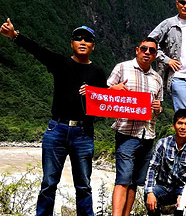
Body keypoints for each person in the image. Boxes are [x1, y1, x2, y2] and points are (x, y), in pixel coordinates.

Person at [1, 19, 107, 215]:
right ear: (72, 43)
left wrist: (104, 92)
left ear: (93, 45)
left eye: (87, 39)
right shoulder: (60, 63)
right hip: (56, 129)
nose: (82, 42)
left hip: (83, 133)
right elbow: (38, 50)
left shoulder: (98, 72)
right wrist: (14, 36)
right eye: (78, 38)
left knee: (83, 185)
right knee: (49, 182)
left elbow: (104, 104)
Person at [107, 37, 163, 216]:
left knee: (134, 182)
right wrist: (113, 89)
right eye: (144, 49)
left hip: (148, 134)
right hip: (126, 132)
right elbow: (104, 92)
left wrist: (158, 108)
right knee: (122, 180)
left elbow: (159, 108)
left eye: (152, 50)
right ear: (137, 50)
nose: (147, 52)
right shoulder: (122, 68)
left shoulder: (157, 78)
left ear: (155, 55)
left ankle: (126, 214)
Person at [144, 108, 186, 216]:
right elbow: (152, 169)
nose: (183, 127)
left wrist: (184, 194)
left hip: (182, 189)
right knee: (149, 194)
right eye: (180, 123)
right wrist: (149, 192)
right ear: (173, 126)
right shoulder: (162, 144)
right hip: (163, 188)